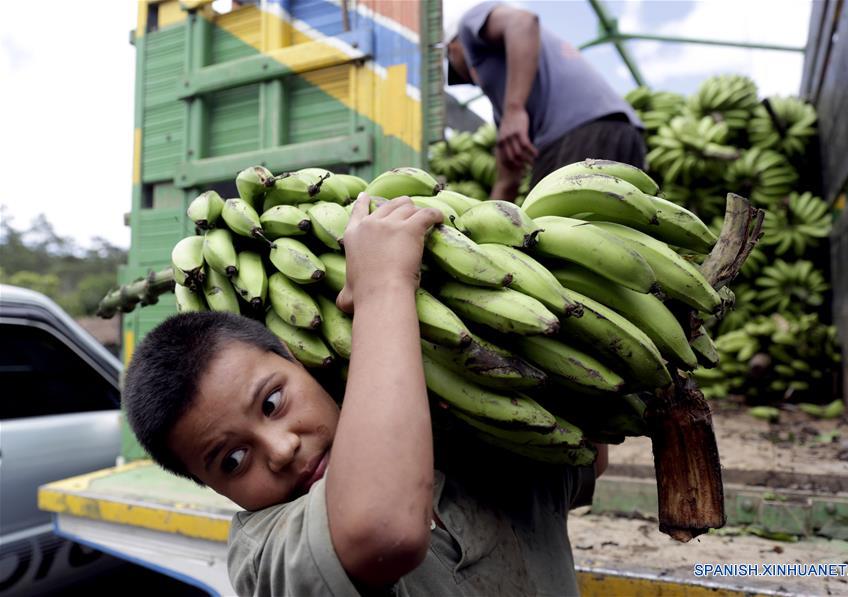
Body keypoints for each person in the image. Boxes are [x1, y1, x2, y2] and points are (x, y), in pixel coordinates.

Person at [123, 194, 609, 596]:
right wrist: (382, 286)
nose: (282, 449)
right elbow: (384, 530)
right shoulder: (268, 556)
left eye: (272, 403)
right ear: (211, 487)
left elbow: (587, 449)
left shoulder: (471, 446)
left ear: (302, 362)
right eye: (232, 460)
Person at [445, 2, 646, 200]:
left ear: (453, 48)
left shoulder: (468, 24)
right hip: (620, 131)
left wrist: (514, 109)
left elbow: (523, 21)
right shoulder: (506, 114)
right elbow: (507, 181)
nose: (470, 81)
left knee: (556, 227)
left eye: (456, 69)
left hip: (582, 133)